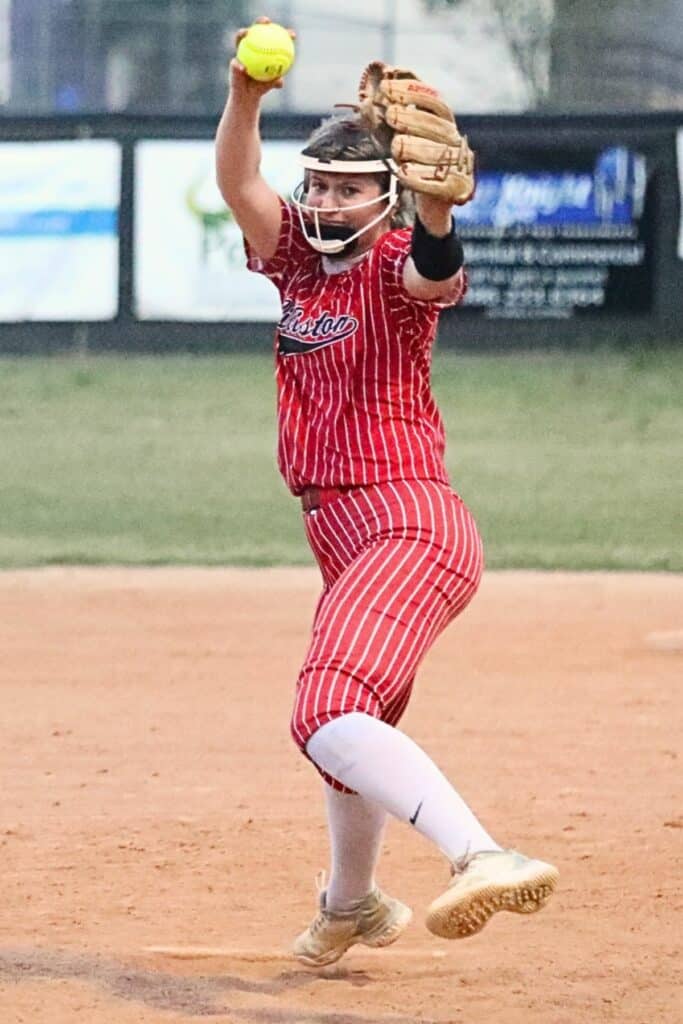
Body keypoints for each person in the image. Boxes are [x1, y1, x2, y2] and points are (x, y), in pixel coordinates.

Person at [215, 17, 558, 968]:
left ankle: (482, 853)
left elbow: (433, 274)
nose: (327, 198)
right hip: (343, 534)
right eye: (319, 183)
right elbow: (239, 185)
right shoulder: (292, 261)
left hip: (407, 519)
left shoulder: (393, 263)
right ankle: (351, 905)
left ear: (387, 197)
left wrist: (440, 219)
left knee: (324, 706)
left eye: (349, 186)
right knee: (353, 730)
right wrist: (245, 93)